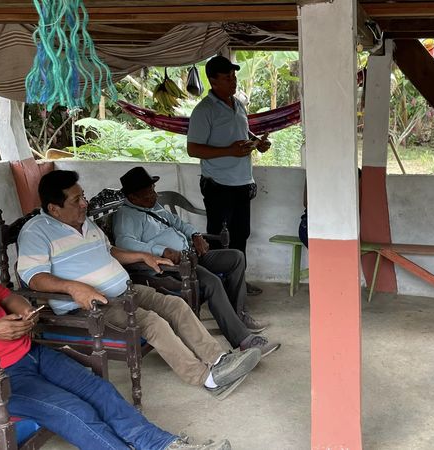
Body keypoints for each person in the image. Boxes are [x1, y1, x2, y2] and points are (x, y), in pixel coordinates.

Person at [16, 170, 261, 399]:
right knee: (153, 323)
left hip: (124, 291)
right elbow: (34, 277)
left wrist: (144, 256)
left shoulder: (85, 222)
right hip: (90, 307)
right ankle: (207, 378)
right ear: (54, 208)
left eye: (83, 196)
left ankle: (219, 360)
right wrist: (73, 288)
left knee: (175, 305)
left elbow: (110, 250)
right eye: (76, 200)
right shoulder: (36, 232)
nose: (84, 204)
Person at [0, 276, 230, 450]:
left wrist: (25, 310)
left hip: (32, 352)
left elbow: (7, 296)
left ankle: (163, 445)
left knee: (100, 390)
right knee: (73, 411)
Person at [112, 166, 280, 357]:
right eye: (148, 192)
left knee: (236, 257)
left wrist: (196, 235)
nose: (154, 195)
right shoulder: (126, 215)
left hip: (190, 255)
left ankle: (238, 316)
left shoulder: (152, 206)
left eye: (153, 189)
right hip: (172, 268)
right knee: (212, 282)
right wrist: (161, 251)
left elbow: (179, 223)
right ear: (133, 197)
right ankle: (243, 340)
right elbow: (124, 243)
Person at [187, 55, 271, 296]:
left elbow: (243, 132)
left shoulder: (238, 104)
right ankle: (218, 287)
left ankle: (238, 283)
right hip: (218, 185)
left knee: (241, 235)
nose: (233, 82)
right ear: (213, 81)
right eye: (227, 78)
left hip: (242, 182)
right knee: (218, 238)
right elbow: (193, 149)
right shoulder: (204, 110)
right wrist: (229, 151)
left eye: (234, 77)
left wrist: (257, 143)